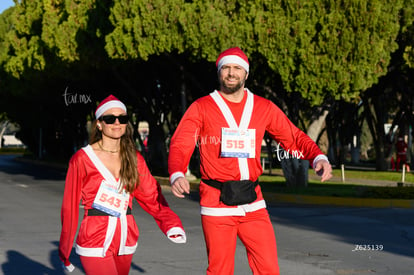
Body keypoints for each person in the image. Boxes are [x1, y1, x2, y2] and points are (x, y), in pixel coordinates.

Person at [168, 47, 332, 275]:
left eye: (237, 68)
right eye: (226, 68)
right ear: (219, 73)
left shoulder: (263, 107)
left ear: (246, 74)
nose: (231, 73)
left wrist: (318, 157)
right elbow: (181, 143)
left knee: (268, 268)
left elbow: (292, 136)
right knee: (220, 271)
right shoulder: (202, 107)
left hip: (253, 202)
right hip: (217, 203)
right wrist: (177, 172)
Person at [59, 95, 186, 274]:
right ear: (99, 124)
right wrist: (65, 248)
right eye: (110, 119)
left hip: (125, 237)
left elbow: (151, 195)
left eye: (123, 118)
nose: (117, 123)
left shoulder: (134, 158)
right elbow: (69, 206)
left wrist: (171, 224)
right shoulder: (82, 159)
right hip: (94, 237)